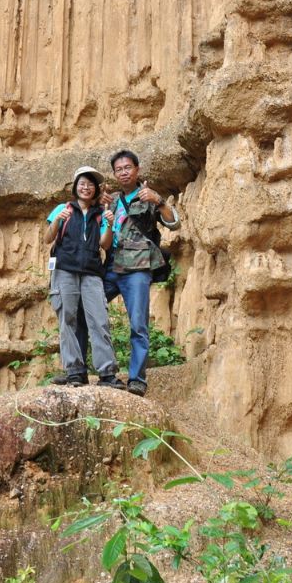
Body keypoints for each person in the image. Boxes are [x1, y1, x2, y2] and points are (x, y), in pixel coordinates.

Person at [102, 149, 182, 397]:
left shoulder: (148, 195)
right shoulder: (112, 200)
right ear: (114, 174)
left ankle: (137, 379)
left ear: (137, 169)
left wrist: (159, 201)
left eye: (128, 167)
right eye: (118, 169)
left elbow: (174, 223)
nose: (123, 172)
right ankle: (103, 373)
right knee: (88, 310)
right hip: (111, 266)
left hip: (137, 268)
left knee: (138, 325)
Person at [44, 166, 125, 389]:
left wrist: (109, 224)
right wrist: (58, 220)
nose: (86, 187)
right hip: (64, 270)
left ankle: (107, 373)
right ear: (75, 186)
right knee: (67, 320)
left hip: (92, 272)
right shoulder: (63, 208)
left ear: (96, 189)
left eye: (90, 184)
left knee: (99, 320)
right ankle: (74, 372)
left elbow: (105, 245)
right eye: (82, 183)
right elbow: (47, 238)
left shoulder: (100, 214)